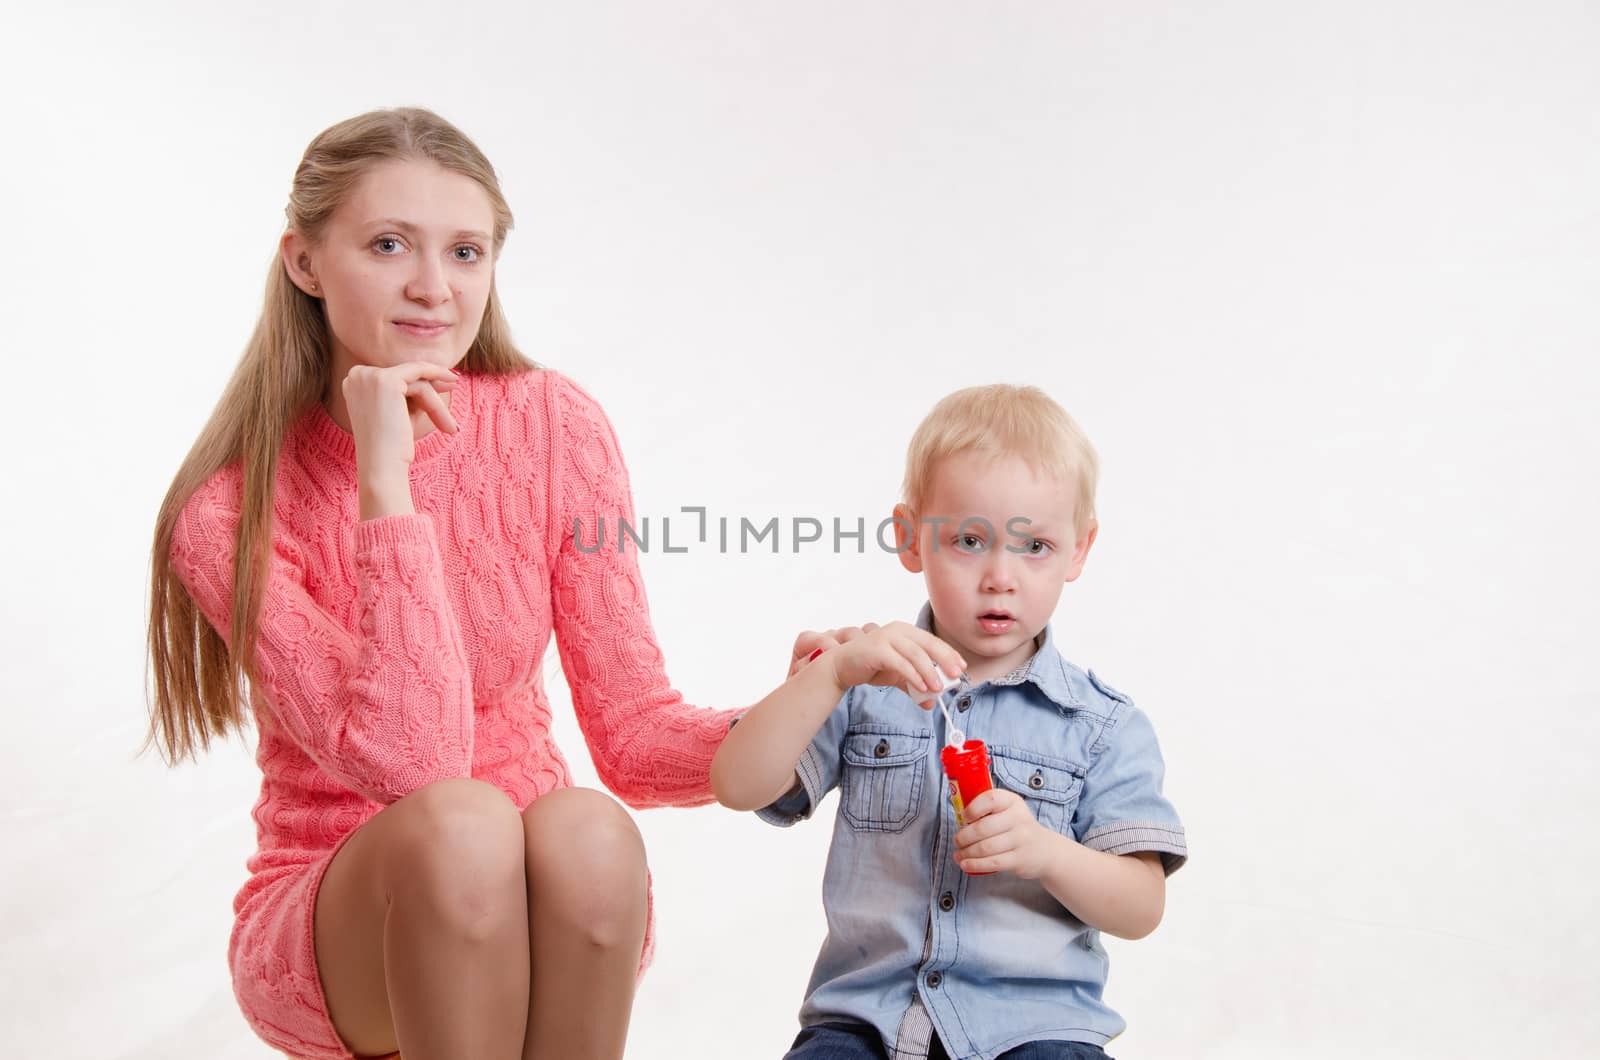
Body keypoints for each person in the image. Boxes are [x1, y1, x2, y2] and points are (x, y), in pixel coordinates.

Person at [145, 106, 761, 1060]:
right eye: (389, 245)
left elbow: (634, 739)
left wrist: (815, 702)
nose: (434, 289)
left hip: (544, 901)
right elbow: (416, 766)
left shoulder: (554, 424)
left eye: (466, 252)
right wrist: (387, 489)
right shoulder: (228, 510)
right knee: (466, 819)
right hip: (339, 922)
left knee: (588, 827)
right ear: (305, 262)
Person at [712, 384, 1188, 1060]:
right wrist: (825, 677)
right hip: (866, 1024)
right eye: (969, 540)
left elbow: (1141, 907)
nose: (1000, 575)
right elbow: (737, 783)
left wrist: (1047, 852)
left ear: (1079, 552)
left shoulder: (1100, 725)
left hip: (1037, 1031)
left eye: (1036, 547)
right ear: (911, 539)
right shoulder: (862, 685)